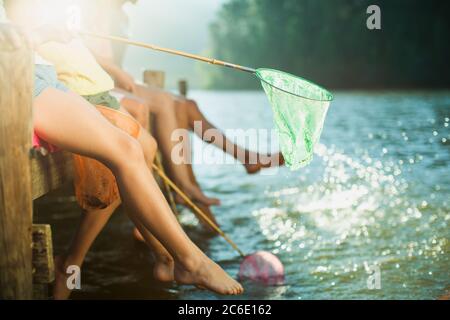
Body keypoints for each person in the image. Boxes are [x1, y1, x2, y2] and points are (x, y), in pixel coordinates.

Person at [3, 0, 243, 299]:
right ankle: (188, 259)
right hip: (15, 75)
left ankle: (171, 254)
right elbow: (11, 38)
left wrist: (50, 32)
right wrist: (42, 33)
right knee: (129, 148)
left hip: (39, 71)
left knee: (136, 145)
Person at [82, 0, 285, 208]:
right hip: (99, 83)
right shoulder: (93, 8)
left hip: (115, 80)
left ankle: (242, 158)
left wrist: (119, 72)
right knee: (167, 102)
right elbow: (79, 52)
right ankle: (186, 184)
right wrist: (116, 72)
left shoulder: (121, 15)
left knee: (188, 105)